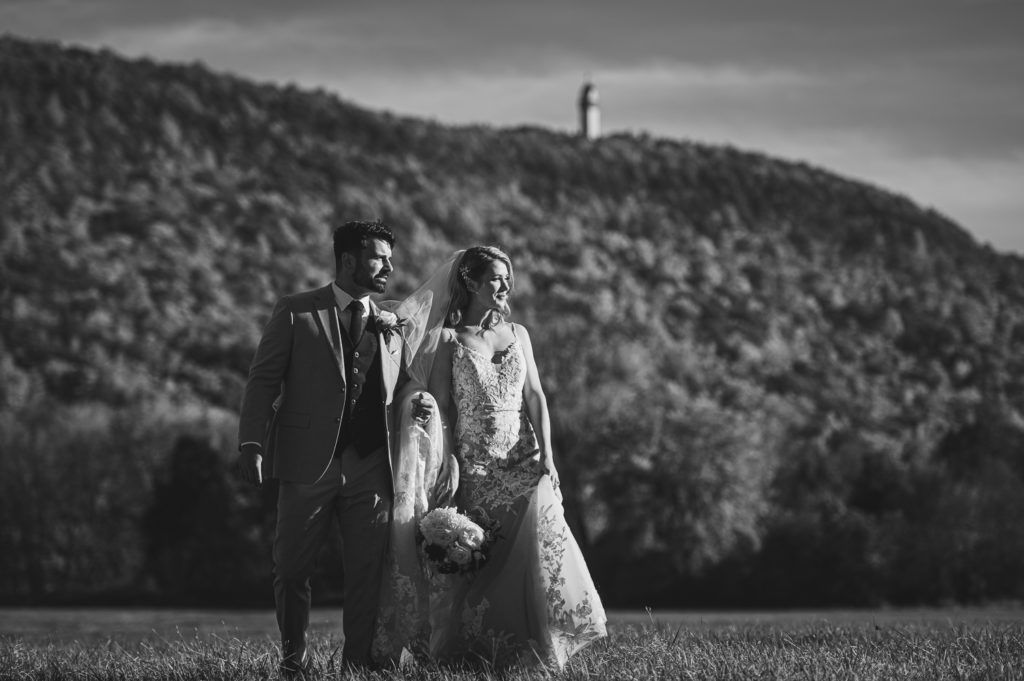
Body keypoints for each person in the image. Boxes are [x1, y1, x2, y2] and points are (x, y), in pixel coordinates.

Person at [372, 246, 607, 670]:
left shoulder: (519, 334)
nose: (506, 285)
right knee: (492, 559)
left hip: (523, 456)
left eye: (507, 277)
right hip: (476, 463)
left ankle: (540, 651)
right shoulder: (449, 340)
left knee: (542, 537)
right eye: (496, 278)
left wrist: (549, 457)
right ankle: (483, 651)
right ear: (471, 283)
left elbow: (535, 396)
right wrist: (451, 461)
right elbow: (443, 406)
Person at [235, 219, 433, 675]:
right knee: (290, 569)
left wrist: (417, 406)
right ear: (348, 260)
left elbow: (403, 386)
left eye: (389, 258)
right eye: (379, 257)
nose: (388, 266)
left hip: (372, 465)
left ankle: (356, 666)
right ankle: (294, 662)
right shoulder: (295, 311)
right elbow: (263, 381)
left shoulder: (394, 323)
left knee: (366, 574)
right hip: (308, 462)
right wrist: (251, 442)